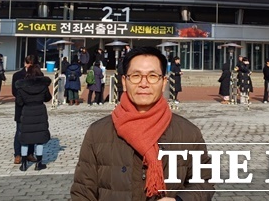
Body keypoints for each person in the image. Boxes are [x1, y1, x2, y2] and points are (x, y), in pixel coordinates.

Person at [71, 46, 213, 200]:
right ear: (124, 82)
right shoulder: (98, 132)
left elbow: (205, 182)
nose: (144, 83)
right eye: (136, 75)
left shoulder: (187, 133)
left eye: (152, 76)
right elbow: (83, 192)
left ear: (164, 82)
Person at [15, 64, 52, 171]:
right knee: (39, 139)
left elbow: (19, 101)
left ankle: (24, 164)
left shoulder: (22, 87)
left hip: (27, 112)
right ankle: (39, 163)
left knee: (25, 139)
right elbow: (47, 98)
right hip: (40, 111)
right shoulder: (43, 86)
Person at [12, 55, 38, 165]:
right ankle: (17, 154)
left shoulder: (36, 75)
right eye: (29, 64)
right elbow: (14, 92)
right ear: (25, 63)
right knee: (19, 131)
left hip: (32, 107)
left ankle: (30, 153)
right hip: (21, 106)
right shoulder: (17, 75)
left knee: (31, 131)